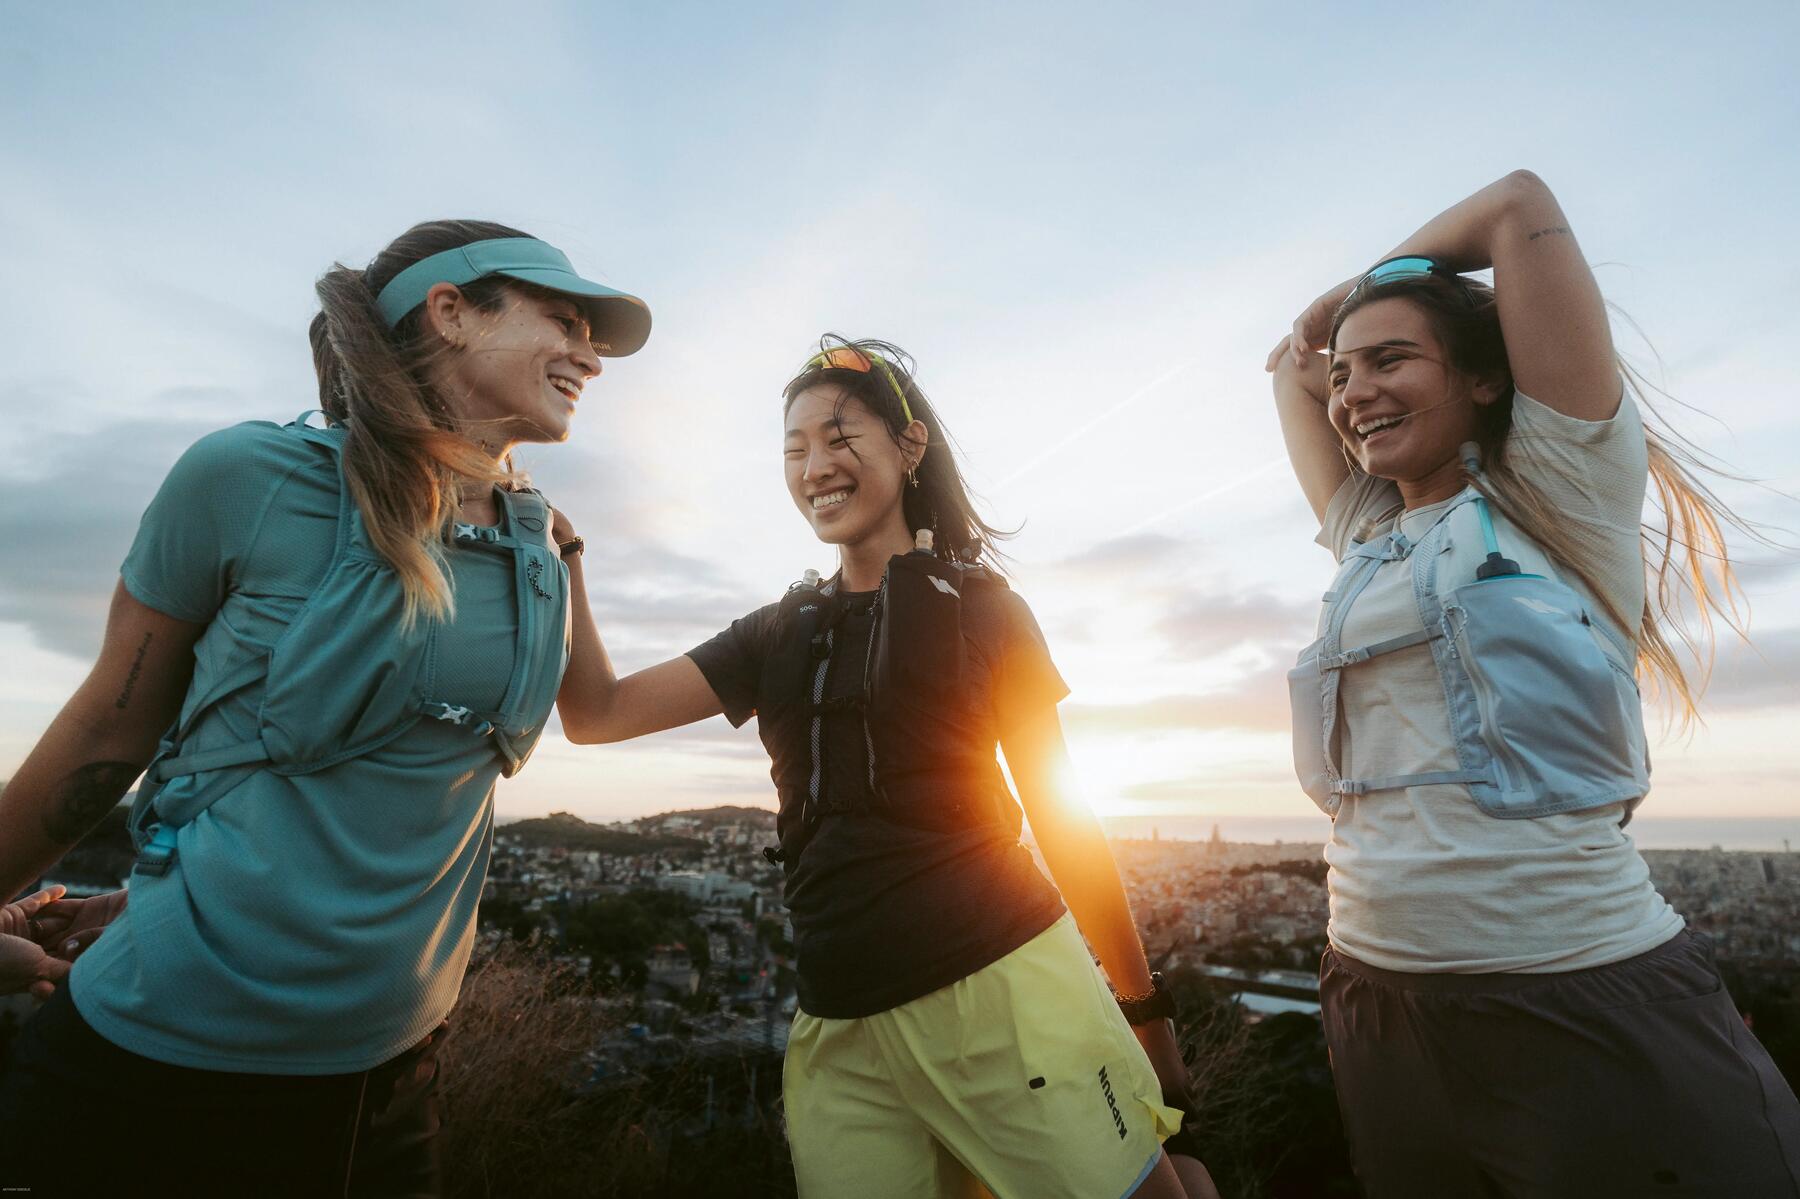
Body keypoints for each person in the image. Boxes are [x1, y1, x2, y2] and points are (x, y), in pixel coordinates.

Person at [0, 221, 650, 1196]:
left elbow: (583, 711)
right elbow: (107, 729)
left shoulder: (539, 544)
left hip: (393, 1079)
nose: (591, 356)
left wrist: (801, 634)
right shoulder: (245, 478)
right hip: (162, 1068)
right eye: (564, 320)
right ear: (450, 311)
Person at [552, 337, 1218, 1199]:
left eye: (839, 437)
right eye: (794, 449)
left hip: (1007, 994)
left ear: (909, 449)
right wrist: (565, 560)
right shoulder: (776, 629)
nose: (814, 466)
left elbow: (1064, 819)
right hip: (840, 1029)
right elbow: (596, 713)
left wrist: (1146, 1010)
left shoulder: (985, 610)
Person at [1266, 170, 1800, 1197]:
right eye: (1345, 375)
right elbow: (1288, 374)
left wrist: (1358, 287)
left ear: (1484, 377)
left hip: (1576, 986)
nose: (1351, 392)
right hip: (1376, 1000)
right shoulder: (1367, 535)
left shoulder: (1563, 490)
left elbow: (1516, 205)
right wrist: (1340, 337)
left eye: (1389, 361)